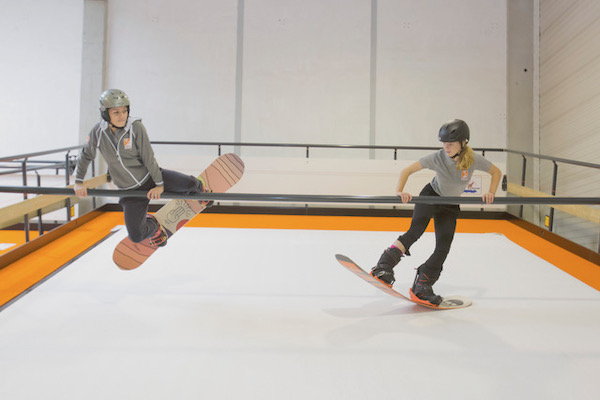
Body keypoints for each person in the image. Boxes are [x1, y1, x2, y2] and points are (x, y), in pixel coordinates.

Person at [371, 119, 502, 306]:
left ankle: (422, 285)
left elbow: (496, 172)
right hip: (431, 195)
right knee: (415, 232)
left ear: (463, 143)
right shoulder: (438, 157)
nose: (446, 147)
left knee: (443, 247)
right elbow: (407, 170)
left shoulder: (473, 160)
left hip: (450, 204)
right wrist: (400, 191)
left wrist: (491, 192)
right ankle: (383, 267)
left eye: (450, 144)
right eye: (444, 143)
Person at [73, 89, 211, 247]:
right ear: (105, 114)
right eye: (116, 112)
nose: (121, 116)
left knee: (191, 185)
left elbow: (148, 157)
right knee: (136, 236)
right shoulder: (98, 132)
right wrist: (78, 181)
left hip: (150, 178)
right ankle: (154, 228)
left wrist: (159, 185)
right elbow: (86, 155)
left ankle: (201, 189)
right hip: (129, 191)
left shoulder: (135, 127)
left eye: (124, 111)